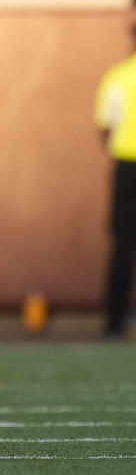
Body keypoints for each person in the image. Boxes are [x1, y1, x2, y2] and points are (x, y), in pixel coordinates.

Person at [94, 35, 136, 337]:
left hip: (126, 166)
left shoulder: (118, 76)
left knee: (122, 243)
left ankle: (115, 318)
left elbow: (105, 125)